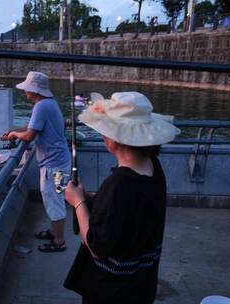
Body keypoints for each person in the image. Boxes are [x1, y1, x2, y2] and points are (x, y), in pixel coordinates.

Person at [63, 92, 180, 303]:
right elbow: (127, 212)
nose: (103, 135)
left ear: (116, 140)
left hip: (112, 292)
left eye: (106, 130)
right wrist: (93, 200)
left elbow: (97, 246)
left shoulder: (118, 184)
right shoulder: (154, 168)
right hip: (142, 285)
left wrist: (78, 202)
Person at [1, 71, 71, 252]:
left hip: (54, 166)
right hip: (58, 162)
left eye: (27, 89)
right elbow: (31, 127)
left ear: (35, 90)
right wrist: (13, 131)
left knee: (54, 199)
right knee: (54, 198)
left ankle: (59, 241)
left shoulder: (41, 106)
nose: (25, 93)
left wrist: (16, 134)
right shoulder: (48, 104)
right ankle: (54, 231)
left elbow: (30, 135)